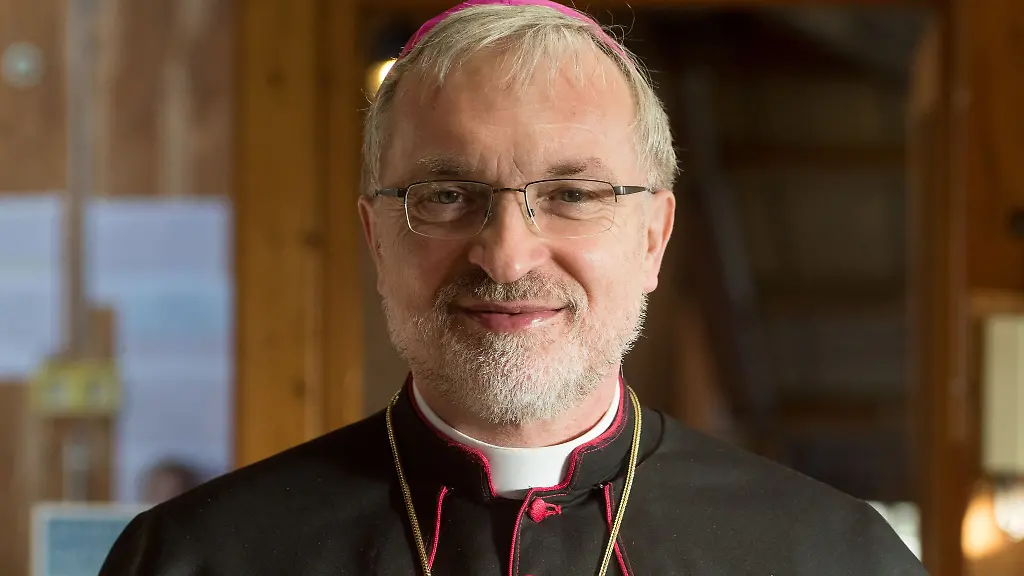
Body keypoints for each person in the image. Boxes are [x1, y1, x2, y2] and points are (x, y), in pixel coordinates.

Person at [100, 1, 929, 574]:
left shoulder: (834, 557)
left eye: (572, 194)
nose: (505, 255)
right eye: (446, 194)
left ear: (653, 237)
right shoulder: (196, 558)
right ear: (376, 237)